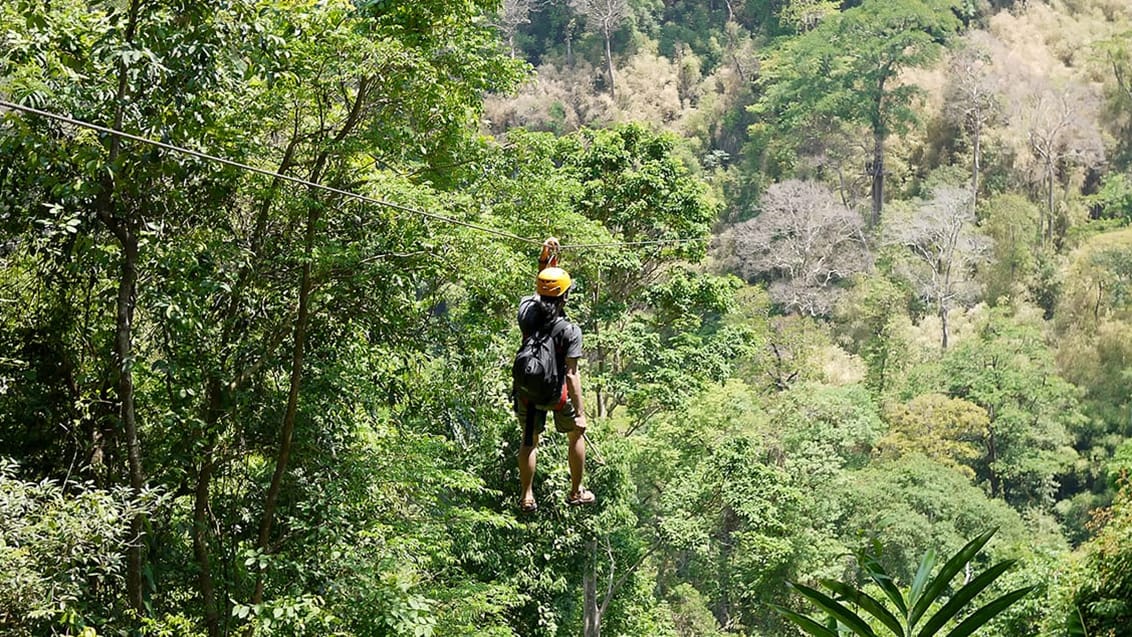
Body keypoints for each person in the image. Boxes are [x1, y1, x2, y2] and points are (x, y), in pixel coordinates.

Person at [514, 237, 594, 512]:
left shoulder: (526, 314)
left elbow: (541, 291)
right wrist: (581, 414)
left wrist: (545, 256)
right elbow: (571, 375)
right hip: (558, 395)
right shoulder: (570, 331)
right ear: (565, 296)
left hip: (528, 394)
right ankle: (575, 491)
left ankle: (527, 495)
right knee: (575, 435)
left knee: (529, 442)